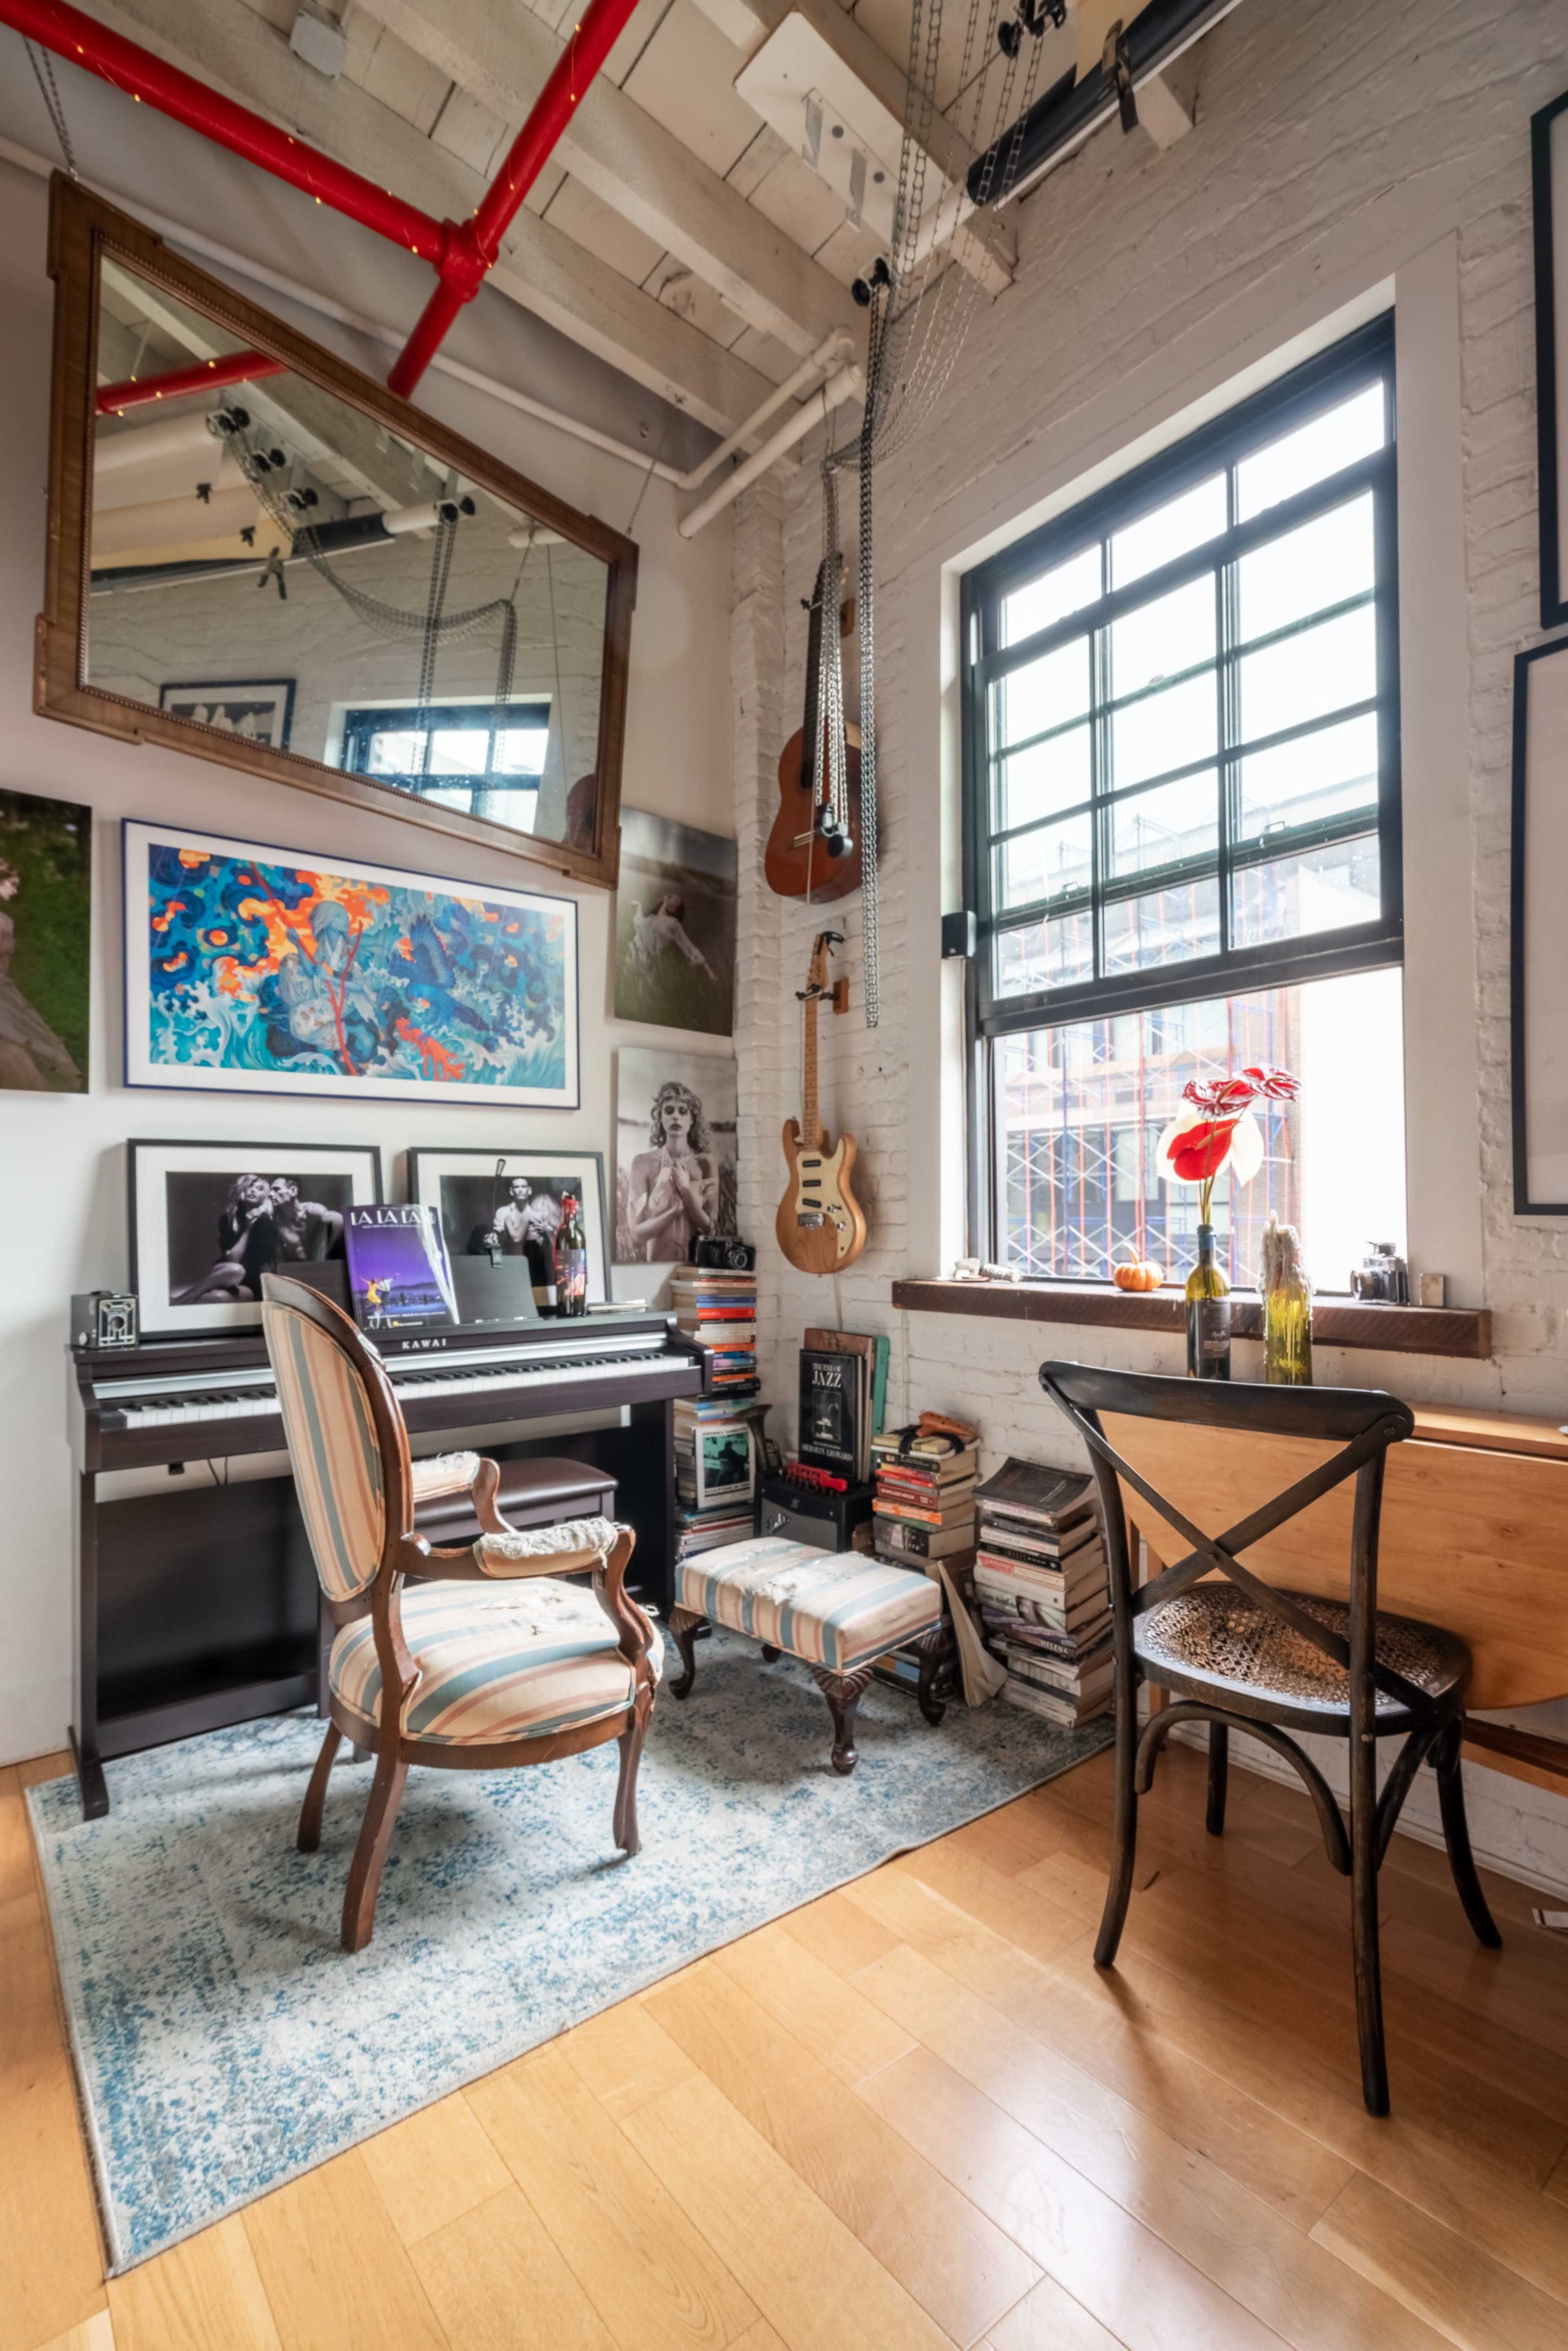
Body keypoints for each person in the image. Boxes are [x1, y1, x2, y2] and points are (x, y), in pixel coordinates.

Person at [626, 1081, 718, 1262]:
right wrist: (674, 1212)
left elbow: (711, 1230)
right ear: (660, 1118)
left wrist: (686, 1191)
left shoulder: (706, 1164)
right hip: (655, 1270)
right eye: (669, 1111)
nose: (676, 1117)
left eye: (683, 1112)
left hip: (695, 1273)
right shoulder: (643, 1163)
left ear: (692, 1120)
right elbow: (636, 1235)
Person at [627, 891, 714, 987]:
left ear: (674, 910)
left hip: (645, 960)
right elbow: (641, 924)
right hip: (633, 952)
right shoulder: (656, 917)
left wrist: (707, 967)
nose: (671, 896)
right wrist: (640, 905)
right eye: (673, 896)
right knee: (628, 983)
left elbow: (687, 943)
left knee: (640, 988)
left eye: (676, 899)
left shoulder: (674, 924)